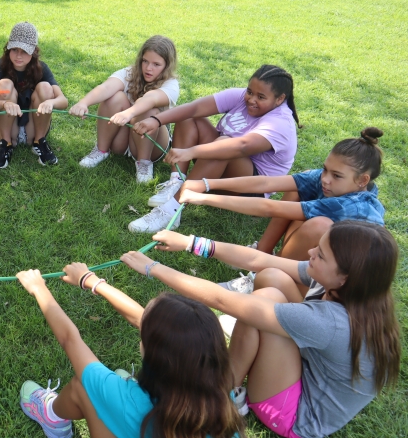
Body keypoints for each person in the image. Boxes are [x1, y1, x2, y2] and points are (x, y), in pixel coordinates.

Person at [122, 221, 402, 438]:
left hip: (297, 418)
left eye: (321, 255)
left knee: (261, 304)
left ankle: (223, 394)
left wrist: (154, 268)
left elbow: (224, 301)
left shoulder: (331, 323)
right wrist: (191, 242)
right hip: (308, 370)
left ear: (344, 277)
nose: (310, 253)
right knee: (272, 277)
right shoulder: (360, 293)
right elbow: (260, 261)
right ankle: (250, 353)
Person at [14, 265, 245, 438]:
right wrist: (91, 281)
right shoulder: (221, 397)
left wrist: (39, 288)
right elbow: (143, 320)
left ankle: (52, 417)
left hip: (130, 409)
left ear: (153, 354)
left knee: (82, 386)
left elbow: (70, 339)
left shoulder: (128, 400)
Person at [128, 65, 299, 234]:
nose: (251, 99)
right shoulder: (242, 97)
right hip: (219, 170)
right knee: (190, 118)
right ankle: (177, 182)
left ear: (279, 99)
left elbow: (241, 146)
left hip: (249, 189)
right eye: (250, 92)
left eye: (261, 97)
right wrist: (155, 121)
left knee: (223, 146)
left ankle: (172, 210)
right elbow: (193, 108)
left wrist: (192, 151)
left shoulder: (280, 123)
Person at [177, 127, 385, 265]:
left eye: (336, 175)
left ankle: (266, 272)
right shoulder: (332, 181)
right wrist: (206, 184)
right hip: (322, 260)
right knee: (299, 187)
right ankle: (263, 254)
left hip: (343, 282)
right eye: (325, 169)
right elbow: (266, 182)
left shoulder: (352, 207)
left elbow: (270, 208)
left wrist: (202, 197)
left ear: (362, 181)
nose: (325, 179)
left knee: (318, 225)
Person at [69, 35, 179, 183]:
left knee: (149, 111)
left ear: (167, 66)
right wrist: (84, 103)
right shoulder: (129, 73)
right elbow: (107, 87)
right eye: (145, 61)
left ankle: (144, 163)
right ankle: (101, 150)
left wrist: (128, 113)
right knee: (115, 97)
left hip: (153, 144)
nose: (148, 68)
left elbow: (151, 98)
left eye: (156, 64)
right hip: (123, 139)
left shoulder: (171, 84)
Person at [0, 22, 68, 168]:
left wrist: (51, 103)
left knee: (45, 88)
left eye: (24, 51)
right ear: (8, 48)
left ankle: (39, 141)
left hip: (33, 126)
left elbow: (63, 101)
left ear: (34, 52)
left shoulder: (41, 68)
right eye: (14, 49)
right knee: (5, 84)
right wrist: (4, 104)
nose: (18, 56)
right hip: (7, 125)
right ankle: (5, 144)